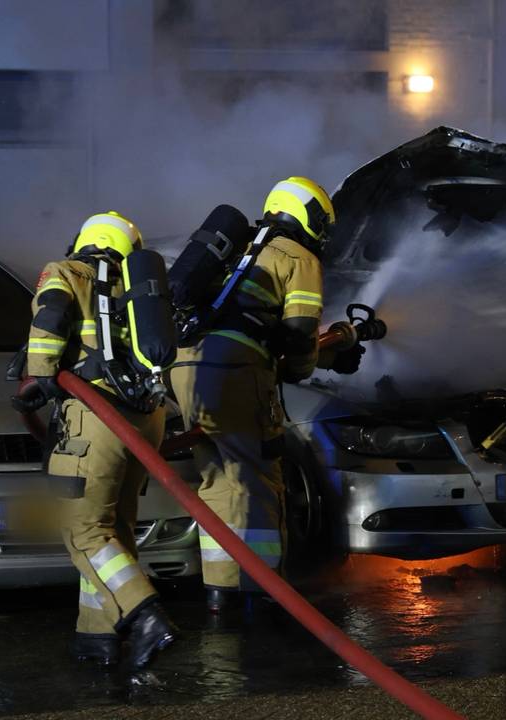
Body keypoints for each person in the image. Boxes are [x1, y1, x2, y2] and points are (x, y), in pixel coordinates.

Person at [169, 177, 358, 614]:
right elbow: (297, 333)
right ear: (309, 216)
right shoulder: (299, 256)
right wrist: (304, 368)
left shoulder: (240, 247)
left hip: (187, 367)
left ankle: (222, 593)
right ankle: (265, 592)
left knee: (219, 477)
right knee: (258, 480)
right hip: (234, 369)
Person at [14, 211, 177, 669]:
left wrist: (41, 379)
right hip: (144, 420)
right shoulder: (134, 288)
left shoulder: (67, 272)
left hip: (95, 418)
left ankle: (146, 616)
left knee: (82, 529)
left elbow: (49, 320)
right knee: (113, 529)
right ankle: (97, 635)